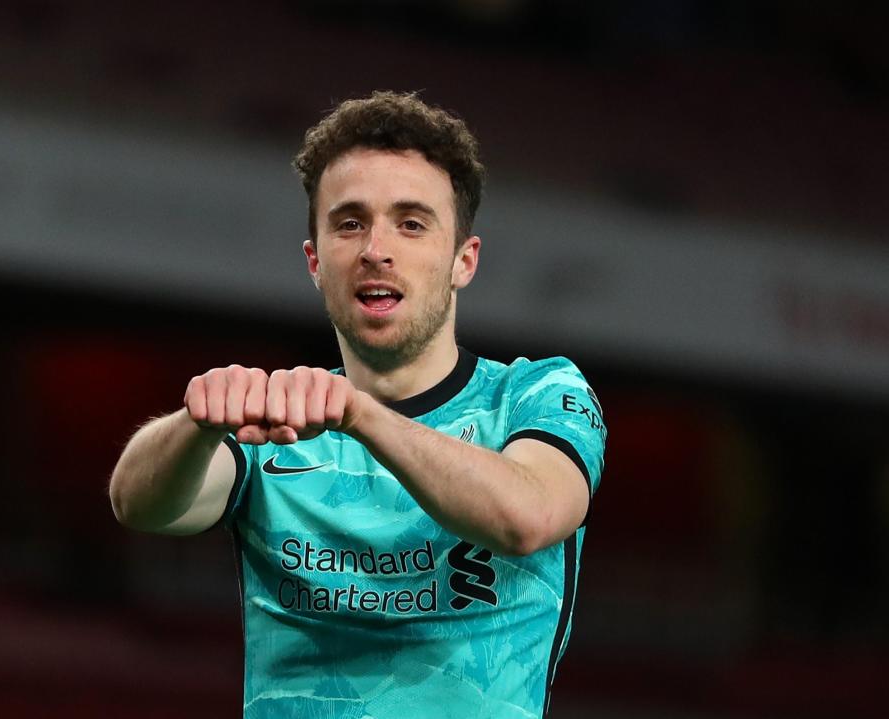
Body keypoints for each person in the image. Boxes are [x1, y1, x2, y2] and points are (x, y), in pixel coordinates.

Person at [108, 91, 606, 719]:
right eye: (349, 223)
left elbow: (528, 515)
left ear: (463, 261)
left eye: (412, 222)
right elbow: (141, 505)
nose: (376, 248)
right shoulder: (278, 417)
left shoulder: (534, 393)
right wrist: (193, 423)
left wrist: (363, 414)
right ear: (315, 262)